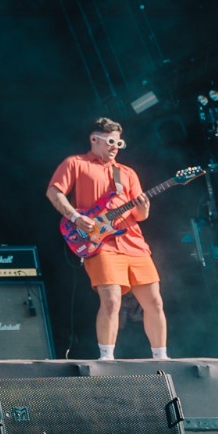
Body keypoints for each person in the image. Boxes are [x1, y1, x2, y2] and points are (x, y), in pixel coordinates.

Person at [47, 116, 169, 360]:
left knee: (154, 302)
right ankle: (107, 358)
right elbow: (54, 191)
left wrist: (144, 206)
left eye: (119, 142)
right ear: (95, 140)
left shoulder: (126, 173)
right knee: (111, 300)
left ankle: (161, 357)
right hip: (100, 242)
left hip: (134, 242)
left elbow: (140, 215)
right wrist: (74, 217)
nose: (115, 146)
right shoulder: (76, 163)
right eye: (111, 141)